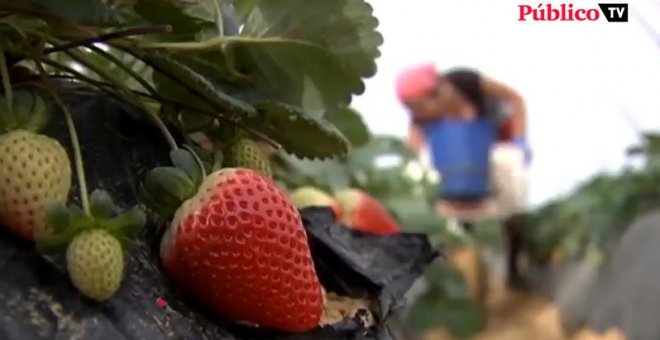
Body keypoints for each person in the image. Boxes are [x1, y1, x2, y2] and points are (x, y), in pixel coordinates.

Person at [395, 63, 531, 291]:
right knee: (459, 215)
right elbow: (414, 149)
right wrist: (416, 175)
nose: (415, 114)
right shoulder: (421, 119)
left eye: (417, 107)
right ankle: (468, 281)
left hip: (498, 147)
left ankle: (514, 268)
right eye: (410, 109)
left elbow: (515, 99)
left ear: (438, 93)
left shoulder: (468, 82)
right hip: (462, 173)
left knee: (512, 214)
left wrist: (520, 140)